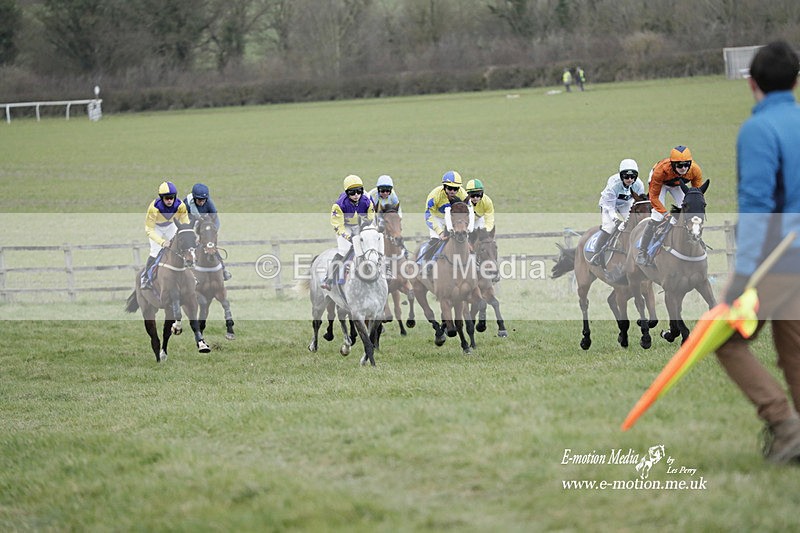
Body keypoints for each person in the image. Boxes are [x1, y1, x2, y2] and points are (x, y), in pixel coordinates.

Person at [715, 41, 800, 465]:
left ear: (751, 83)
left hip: (779, 261)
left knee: (726, 342)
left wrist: (741, 276)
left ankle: (783, 424)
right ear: (796, 80)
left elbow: (757, 208)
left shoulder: (758, 130)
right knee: (795, 353)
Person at [636, 145, 703, 265]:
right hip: (660, 184)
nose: (683, 168)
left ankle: (697, 240)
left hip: (677, 184)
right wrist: (665, 214)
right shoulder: (660, 171)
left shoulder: (695, 170)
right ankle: (643, 251)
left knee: (688, 211)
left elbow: (695, 195)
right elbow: (654, 198)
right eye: (679, 165)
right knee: (657, 216)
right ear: (672, 164)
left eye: (686, 164)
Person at [322, 174, 375, 290]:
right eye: (352, 193)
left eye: (359, 191)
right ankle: (328, 279)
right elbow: (337, 225)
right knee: (344, 250)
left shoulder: (367, 200)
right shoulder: (339, 205)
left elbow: (371, 216)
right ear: (347, 193)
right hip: (344, 226)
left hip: (360, 224)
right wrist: (348, 237)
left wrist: (365, 225)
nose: (356, 195)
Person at [591, 159, 645, 265]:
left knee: (634, 225)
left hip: (625, 203)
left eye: (632, 176)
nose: (630, 179)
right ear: (621, 176)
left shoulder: (639, 184)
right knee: (609, 227)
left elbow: (639, 202)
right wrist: (616, 221)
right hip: (608, 205)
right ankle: (596, 254)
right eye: (626, 176)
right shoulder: (613, 184)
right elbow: (610, 207)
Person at [141, 181, 190, 289]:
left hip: (171, 225)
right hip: (156, 228)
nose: (169, 200)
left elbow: (185, 223)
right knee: (155, 251)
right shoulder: (154, 207)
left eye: (171, 197)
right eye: (166, 198)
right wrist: (162, 242)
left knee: (183, 247)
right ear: (161, 198)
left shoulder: (181, 205)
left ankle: (191, 276)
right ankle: (145, 277)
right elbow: (149, 229)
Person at [185, 183, 232, 281]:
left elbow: (215, 221)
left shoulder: (210, 204)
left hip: (205, 223)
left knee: (211, 245)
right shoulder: (187, 204)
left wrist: (211, 236)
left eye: (203, 200)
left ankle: (223, 270)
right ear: (194, 198)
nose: (202, 202)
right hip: (189, 222)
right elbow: (184, 221)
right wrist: (193, 236)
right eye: (199, 200)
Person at [420, 170, 468, 263]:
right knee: (436, 241)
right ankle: (424, 263)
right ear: (444, 187)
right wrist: (440, 232)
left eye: (456, 189)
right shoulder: (434, 196)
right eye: (450, 188)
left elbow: (468, 212)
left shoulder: (463, 194)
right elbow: (428, 215)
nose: (453, 191)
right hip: (436, 218)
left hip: (453, 219)